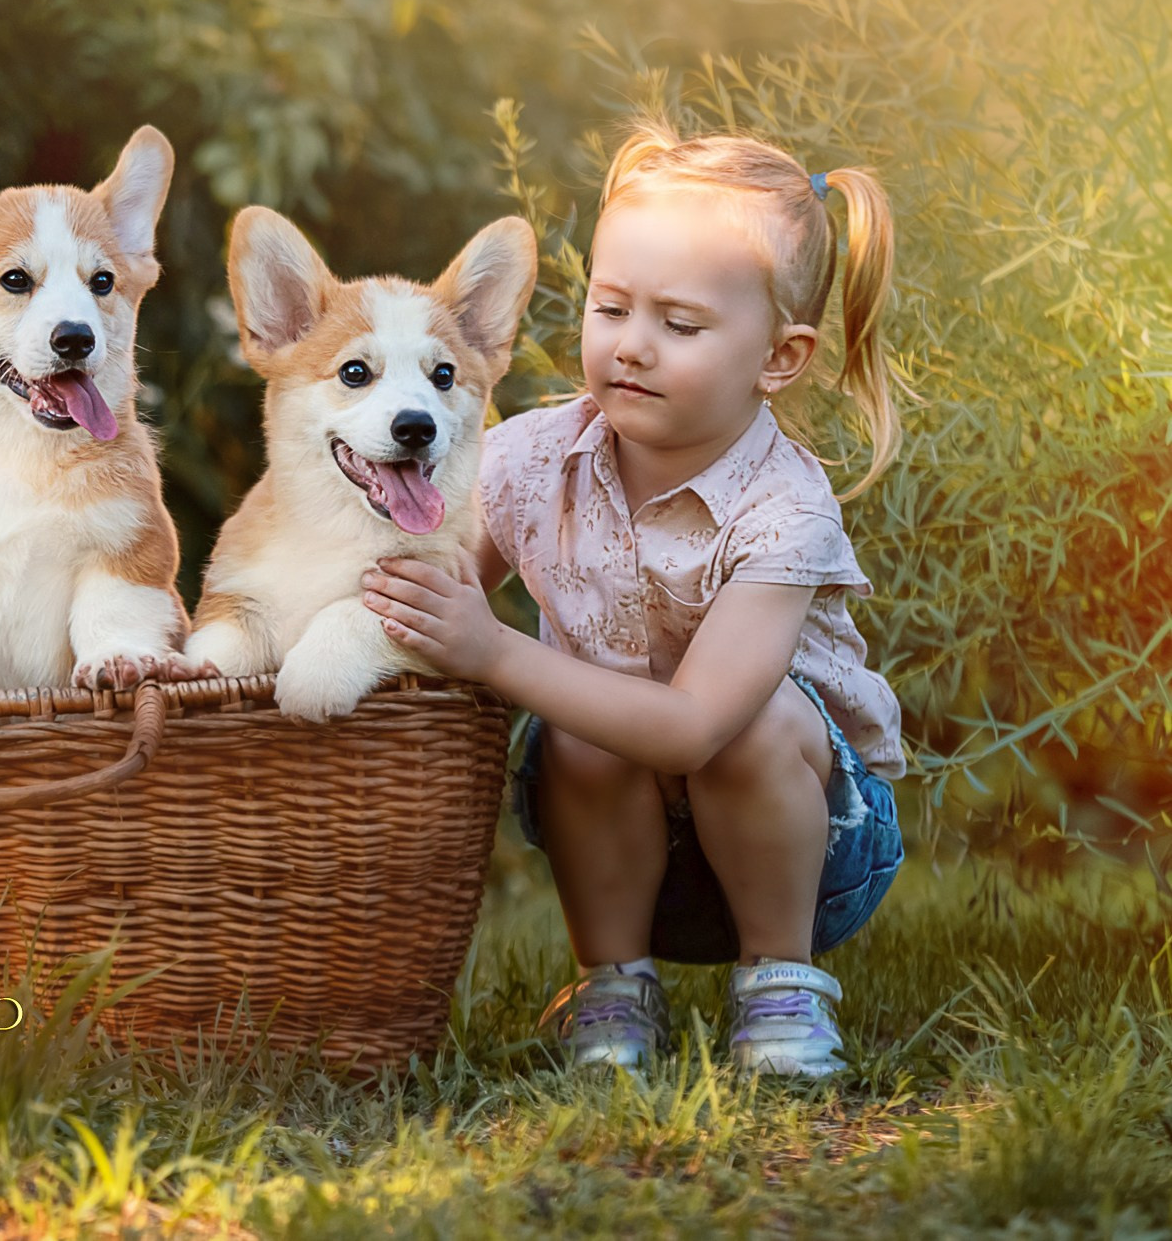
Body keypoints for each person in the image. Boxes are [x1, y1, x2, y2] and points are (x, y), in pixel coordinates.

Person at [363, 121, 907, 1077]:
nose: (631, 347)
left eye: (679, 325)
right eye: (610, 307)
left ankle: (780, 988)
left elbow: (693, 728)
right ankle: (613, 987)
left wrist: (492, 650)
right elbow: (429, 592)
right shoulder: (527, 460)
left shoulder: (783, 509)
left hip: (810, 853)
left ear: (778, 357)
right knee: (580, 727)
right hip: (615, 850)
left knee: (750, 724)